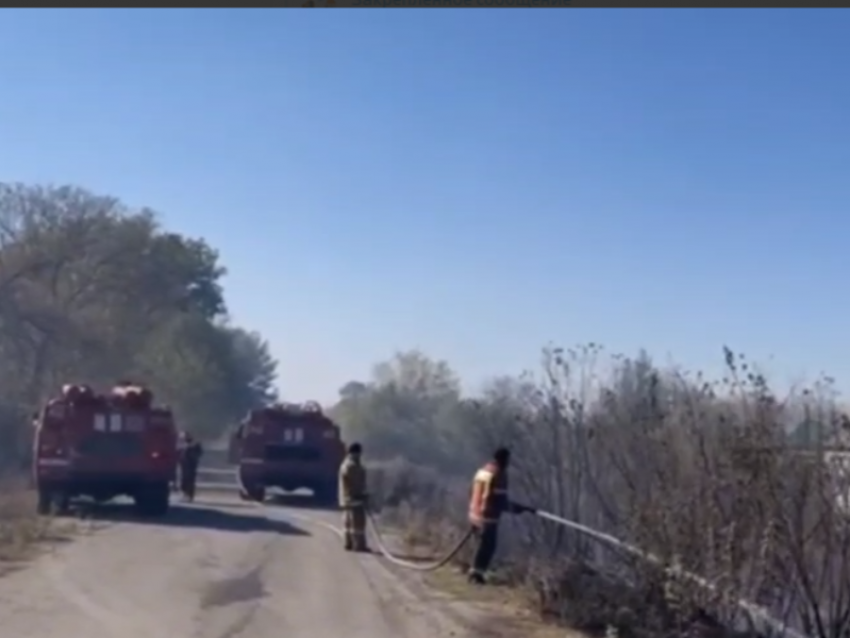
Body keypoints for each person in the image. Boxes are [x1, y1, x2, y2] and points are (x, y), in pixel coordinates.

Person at [467, 446, 534, 584]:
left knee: (483, 545)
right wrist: (519, 509)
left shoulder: (484, 470)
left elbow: (474, 491)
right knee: (488, 545)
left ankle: (475, 572)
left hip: (475, 513)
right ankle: (477, 574)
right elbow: (500, 500)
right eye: (508, 459)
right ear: (503, 459)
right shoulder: (499, 474)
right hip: (488, 516)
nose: (509, 463)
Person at [338, 442, 369, 552]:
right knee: (358, 523)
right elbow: (357, 483)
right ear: (357, 453)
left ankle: (348, 543)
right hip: (355, 499)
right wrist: (362, 496)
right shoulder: (353, 466)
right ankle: (359, 545)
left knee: (348, 523)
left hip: (346, 499)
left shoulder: (345, 464)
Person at [179, 432, 204, 502]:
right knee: (185, 480)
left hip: (191, 466)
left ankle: (189, 495)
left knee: (189, 481)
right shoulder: (183, 446)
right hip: (185, 466)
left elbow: (198, 454)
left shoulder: (194, 446)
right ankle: (186, 494)